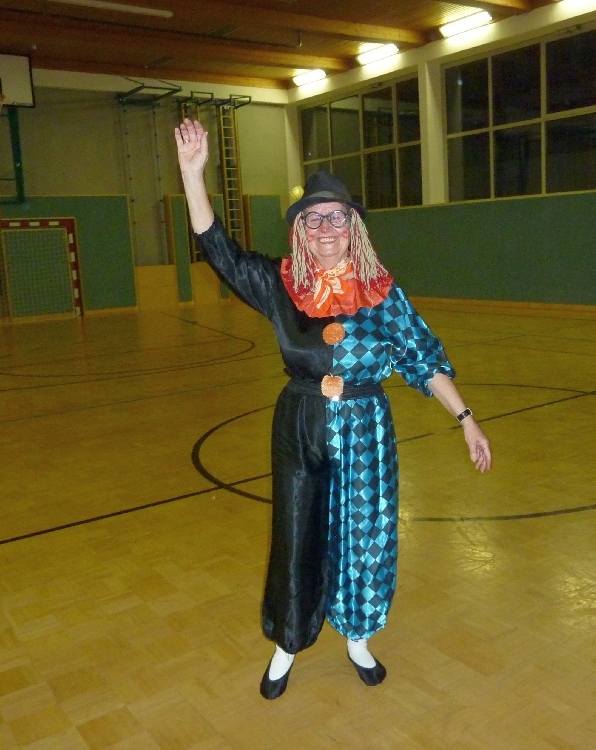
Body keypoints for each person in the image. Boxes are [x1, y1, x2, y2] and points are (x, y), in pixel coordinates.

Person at [174, 119, 492, 699]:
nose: (325, 228)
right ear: (301, 230)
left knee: (367, 533)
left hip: (367, 427)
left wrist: (466, 420)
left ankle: (358, 638)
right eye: (313, 219)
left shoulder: (382, 293)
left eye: (336, 217)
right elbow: (221, 252)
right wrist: (194, 176)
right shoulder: (281, 284)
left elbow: (423, 358)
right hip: (300, 425)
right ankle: (287, 644)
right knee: (296, 534)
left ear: (354, 227)